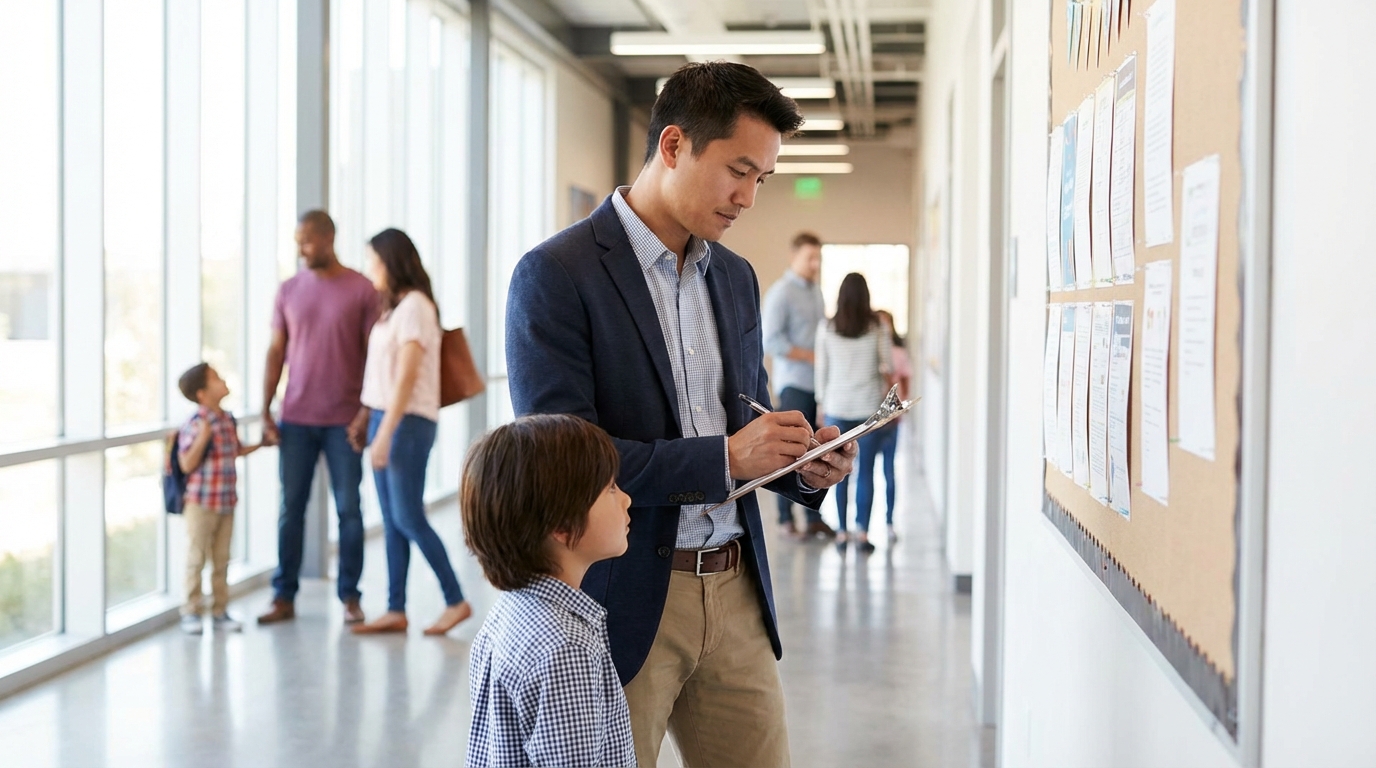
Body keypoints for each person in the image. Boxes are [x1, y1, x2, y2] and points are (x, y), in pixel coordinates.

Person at [505, 61, 857, 768]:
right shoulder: (556, 275)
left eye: (763, 179)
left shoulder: (734, 277)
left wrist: (799, 464)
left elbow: (745, 423)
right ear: (673, 146)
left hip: (737, 595)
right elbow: (563, 464)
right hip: (619, 596)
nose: (749, 198)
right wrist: (724, 457)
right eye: (739, 170)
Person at [462, 414, 636, 768]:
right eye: (611, 489)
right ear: (560, 524)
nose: (627, 500)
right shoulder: (566, 649)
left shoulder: (509, 610)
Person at [258, 210, 379, 625]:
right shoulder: (288, 290)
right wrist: (264, 408)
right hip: (295, 419)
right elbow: (276, 352)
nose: (300, 249)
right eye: (297, 241)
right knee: (291, 508)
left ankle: (350, 596)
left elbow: (377, 356)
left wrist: (365, 410)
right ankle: (283, 595)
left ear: (328, 237)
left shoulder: (362, 289)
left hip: (345, 420)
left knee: (349, 509)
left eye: (306, 240)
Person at [350, 228, 471, 636]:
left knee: (408, 516)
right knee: (392, 520)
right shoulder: (396, 308)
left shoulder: (416, 306)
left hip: (408, 423)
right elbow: (382, 378)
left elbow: (406, 376)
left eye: (374, 262)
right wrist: (370, 420)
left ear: (392, 262)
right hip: (389, 418)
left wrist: (386, 433)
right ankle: (395, 609)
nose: (369, 272)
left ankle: (456, 600)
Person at [175, 363, 264, 634]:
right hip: (201, 502)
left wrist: (262, 443)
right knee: (197, 557)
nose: (223, 380)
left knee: (221, 558)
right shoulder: (196, 423)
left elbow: (235, 450)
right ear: (202, 393)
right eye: (215, 378)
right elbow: (186, 464)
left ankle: (219, 610)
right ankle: (191, 611)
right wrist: (203, 436)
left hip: (226, 500)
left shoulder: (227, 418)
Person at [761, 231, 837, 540]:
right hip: (793, 383)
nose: (815, 264)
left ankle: (812, 517)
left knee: (814, 451)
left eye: (818, 258)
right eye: (810, 258)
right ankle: (785, 519)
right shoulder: (781, 293)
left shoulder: (815, 292)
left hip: (818, 386)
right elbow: (772, 341)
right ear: (795, 257)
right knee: (790, 454)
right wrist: (811, 357)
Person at [815, 273, 893, 554]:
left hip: (837, 406)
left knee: (837, 473)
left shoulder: (827, 326)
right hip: (869, 409)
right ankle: (862, 532)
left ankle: (841, 533)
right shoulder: (878, 326)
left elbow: (821, 370)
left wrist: (821, 405)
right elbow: (888, 365)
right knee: (867, 472)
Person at [874, 309, 911, 544]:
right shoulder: (872, 350)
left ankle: (889, 520)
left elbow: (905, 382)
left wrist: (899, 408)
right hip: (870, 416)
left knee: (889, 470)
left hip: (891, 420)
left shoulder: (898, 354)